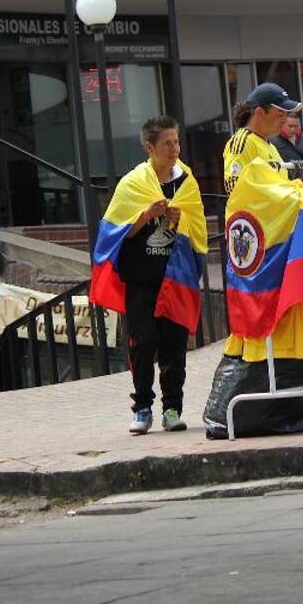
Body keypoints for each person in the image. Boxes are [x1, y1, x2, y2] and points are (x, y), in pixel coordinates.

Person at [116, 116, 195, 434]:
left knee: (175, 346)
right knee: (144, 343)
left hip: (175, 278)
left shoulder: (186, 180)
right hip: (141, 279)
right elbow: (115, 232)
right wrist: (145, 215)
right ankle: (143, 408)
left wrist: (179, 220)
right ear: (150, 147)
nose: (174, 149)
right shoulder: (132, 183)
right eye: (167, 143)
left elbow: (198, 228)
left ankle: (173, 409)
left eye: (176, 142)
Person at [223, 82, 302, 195]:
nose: (285, 119)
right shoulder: (243, 141)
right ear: (260, 112)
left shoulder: (268, 144)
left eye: (286, 114)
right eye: (280, 114)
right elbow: (234, 187)